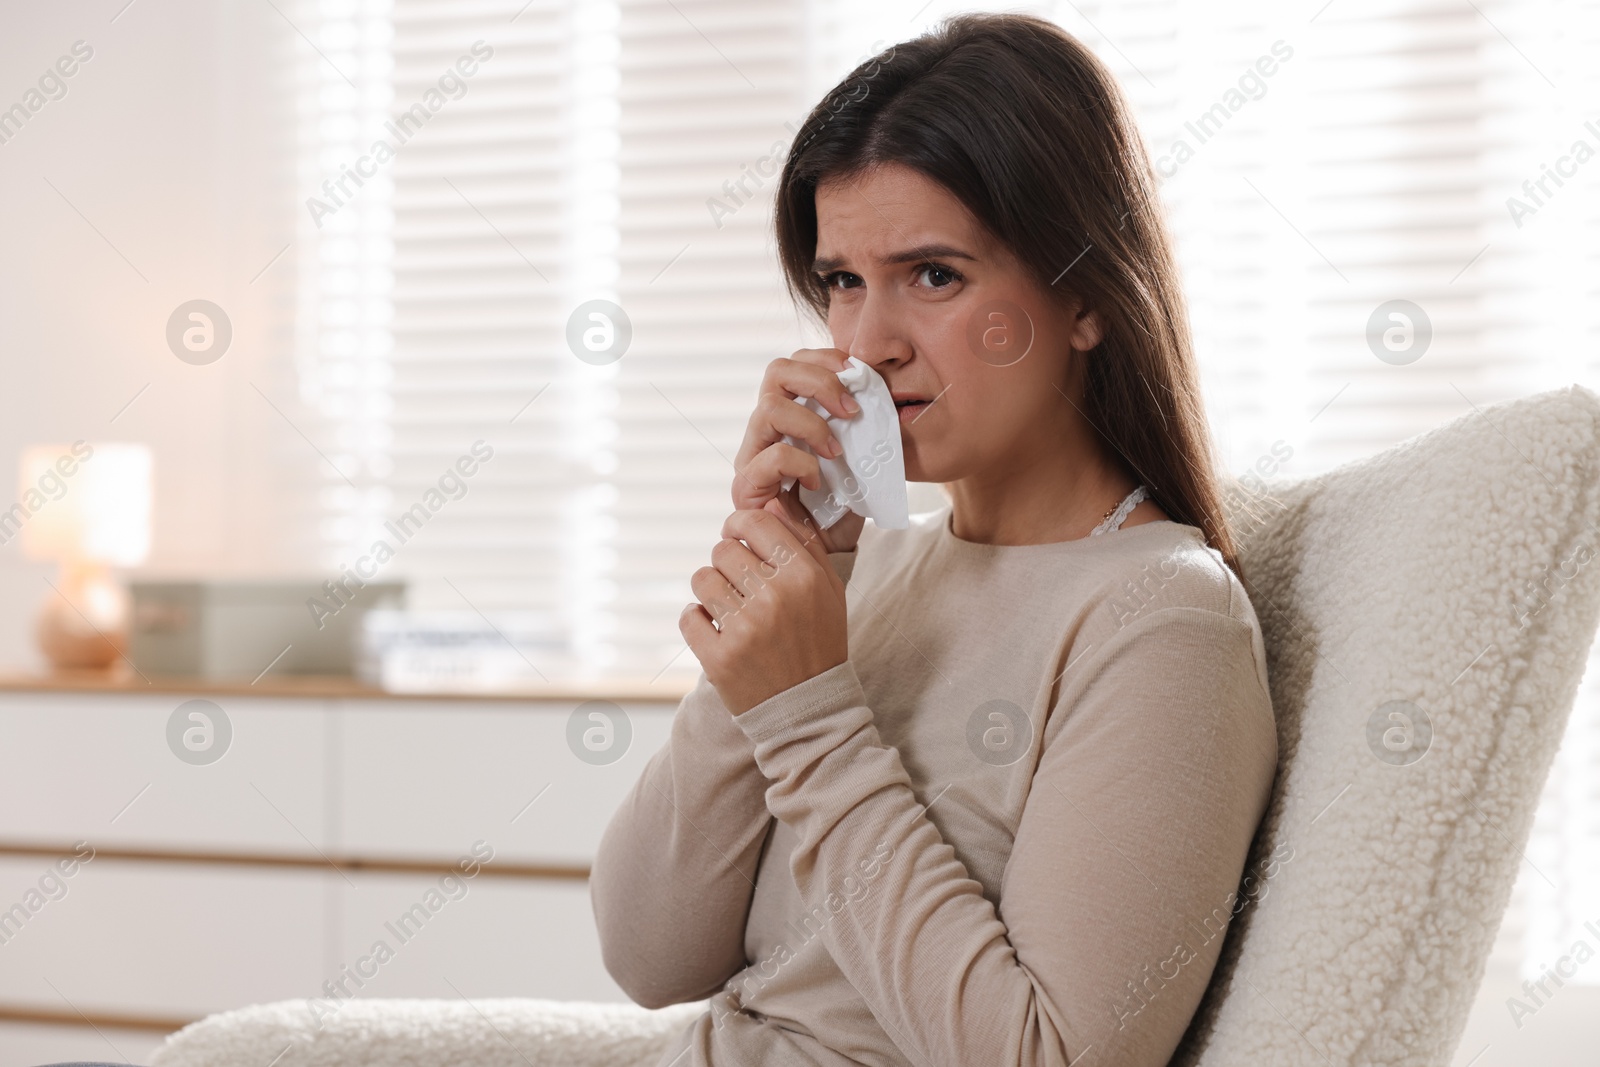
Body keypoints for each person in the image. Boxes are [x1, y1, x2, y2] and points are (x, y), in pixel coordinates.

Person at [590, 13, 1278, 1066]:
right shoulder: (864, 569)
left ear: (1086, 295)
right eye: (841, 282)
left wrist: (809, 713)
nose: (867, 346)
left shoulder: (1161, 618)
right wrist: (778, 571)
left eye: (934, 275)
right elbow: (648, 955)